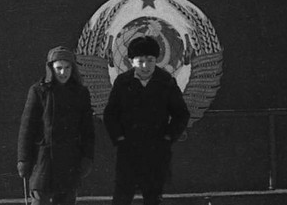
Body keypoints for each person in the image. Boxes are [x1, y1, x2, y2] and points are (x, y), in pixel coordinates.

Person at [102, 36, 190, 205]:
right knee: (122, 197)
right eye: (140, 61)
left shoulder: (166, 81)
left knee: (153, 197)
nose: (145, 66)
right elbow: (110, 114)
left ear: (156, 60)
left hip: (156, 151)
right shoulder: (123, 82)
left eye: (150, 60)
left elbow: (181, 114)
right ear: (131, 61)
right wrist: (119, 138)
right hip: (129, 151)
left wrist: (168, 138)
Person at [17, 46, 96, 205]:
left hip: (69, 161)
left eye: (67, 68)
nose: (63, 72)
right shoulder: (38, 91)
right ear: (51, 68)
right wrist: (23, 160)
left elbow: (88, 130)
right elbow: (27, 128)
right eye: (59, 68)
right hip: (43, 161)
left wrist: (87, 157)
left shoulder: (81, 93)